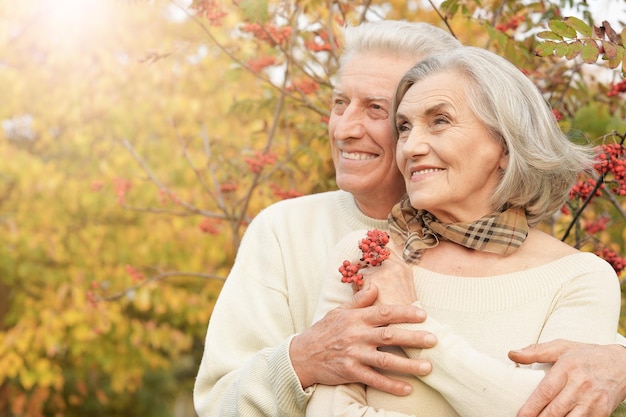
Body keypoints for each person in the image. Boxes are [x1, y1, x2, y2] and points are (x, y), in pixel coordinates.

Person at [193, 20, 626, 417]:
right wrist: (302, 360)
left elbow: (558, 389)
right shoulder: (304, 236)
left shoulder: (559, 269)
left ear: (503, 140)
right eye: (340, 102)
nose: (344, 128)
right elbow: (218, 405)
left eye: (376, 110)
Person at [304, 45, 622, 417]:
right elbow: (326, 410)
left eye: (440, 121)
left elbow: (546, 410)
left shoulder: (579, 278)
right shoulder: (368, 255)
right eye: (404, 127)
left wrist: (411, 323)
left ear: (505, 144)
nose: (411, 147)